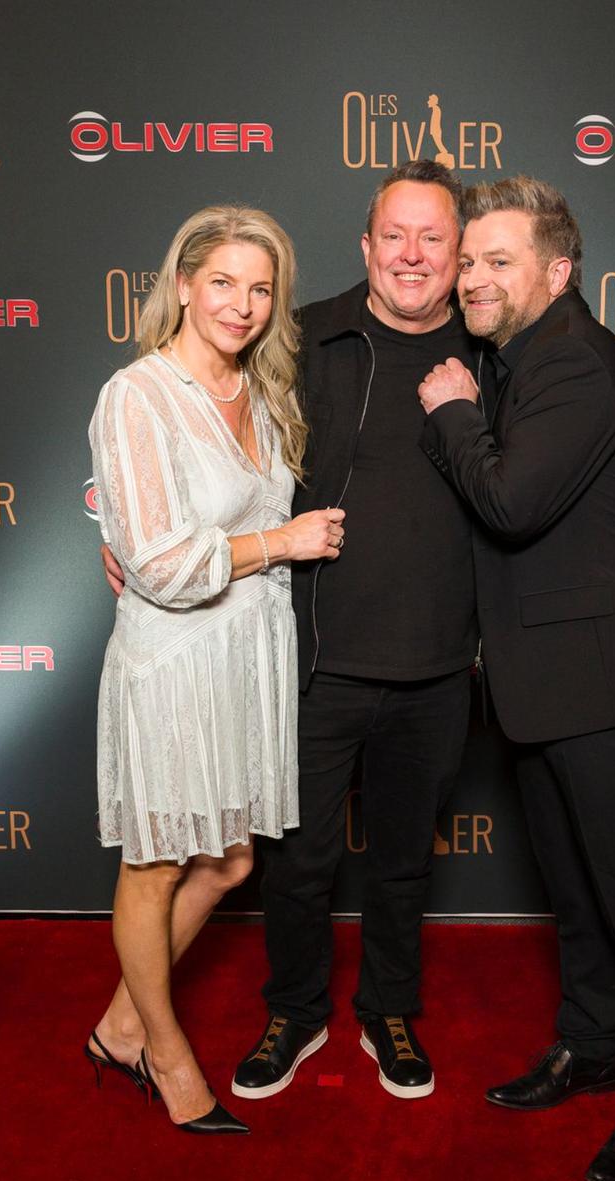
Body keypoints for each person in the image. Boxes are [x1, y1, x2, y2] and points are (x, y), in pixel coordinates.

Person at [418, 176, 615, 1181]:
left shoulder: (572, 361)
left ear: (557, 270)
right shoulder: (520, 358)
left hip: (610, 687)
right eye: (471, 260)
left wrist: (452, 411)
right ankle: (593, 1043)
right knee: (574, 893)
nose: (475, 276)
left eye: (501, 260)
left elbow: (510, 500)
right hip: (546, 682)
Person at [87, 206, 344, 1135]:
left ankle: (118, 1024)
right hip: (176, 659)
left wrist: (114, 525)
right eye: (225, 282)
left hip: (247, 653)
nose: (242, 303)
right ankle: (166, 1051)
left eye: (262, 287)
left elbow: (155, 513)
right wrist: (282, 541)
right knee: (154, 862)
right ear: (185, 283)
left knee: (230, 857)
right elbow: (159, 564)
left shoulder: (264, 388)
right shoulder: (138, 392)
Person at [231, 160, 484, 1102]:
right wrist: (140, 536)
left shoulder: (489, 351)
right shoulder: (303, 339)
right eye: (396, 236)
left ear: (458, 255)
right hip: (316, 660)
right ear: (366, 246)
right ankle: (295, 1010)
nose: (412, 255)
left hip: (438, 662)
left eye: (433, 239)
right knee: (298, 862)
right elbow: (208, 432)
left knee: (404, 860)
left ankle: (388, 1007)